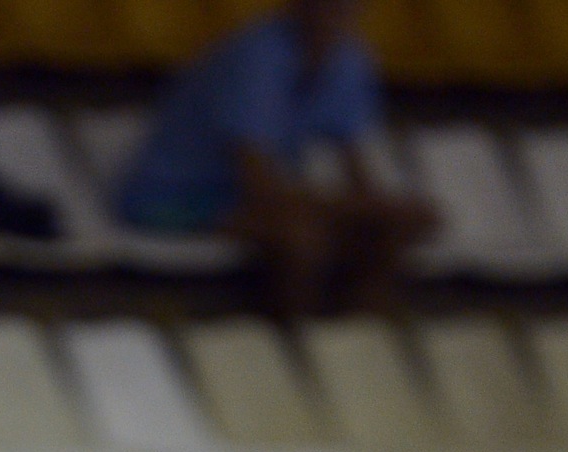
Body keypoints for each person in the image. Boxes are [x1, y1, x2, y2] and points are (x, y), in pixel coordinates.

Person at [113, 1, 436, 318]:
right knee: (301, 238)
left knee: (386, 229)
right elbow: (261, 188)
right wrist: (356, 208)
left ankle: (357, 336)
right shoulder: (255, 56)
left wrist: (378, 211)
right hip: (171, 199)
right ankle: (296, 340)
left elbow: (357, 171)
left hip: (245, 200)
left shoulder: (348, 60)